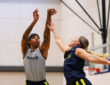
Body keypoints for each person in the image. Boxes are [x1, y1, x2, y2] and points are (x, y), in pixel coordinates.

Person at [21, 9, 56, 85]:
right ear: (29, 42)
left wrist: (49, 14)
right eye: (34, 37)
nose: (37, 38)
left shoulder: (42, 50)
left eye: (38, 38)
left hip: (42, 82)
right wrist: (34, 21)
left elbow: (46, 35)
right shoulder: (25, 51)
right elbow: (24, 36)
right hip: (28, 83)